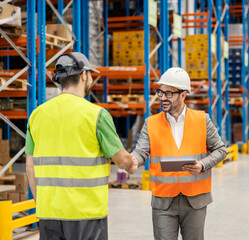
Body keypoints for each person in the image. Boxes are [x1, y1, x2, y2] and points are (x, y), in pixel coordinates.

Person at [25, 52, 137, 240]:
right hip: (86, 214)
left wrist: (41, 204)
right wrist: (131, 163)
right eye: (91, 75)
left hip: (48, 212)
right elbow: (122, 160)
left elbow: (30, 166)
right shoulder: (96, 115)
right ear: (84, 75)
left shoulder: (37, 115)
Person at [132, 67, 227, 240]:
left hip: (196, 200)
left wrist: (202, 165)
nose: (163, 98)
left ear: (183, 95)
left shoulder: (201, 120)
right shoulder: (151, 123)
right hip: (163, 201)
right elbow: (141, 151)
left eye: (169, 93)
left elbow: (220, 150)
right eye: (160, 92)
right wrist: (132, 161)